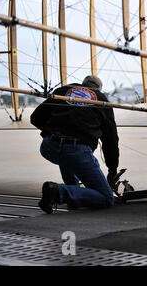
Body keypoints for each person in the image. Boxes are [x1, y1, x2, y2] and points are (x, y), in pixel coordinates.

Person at [31, 75, 119, 213]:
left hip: (49, 147)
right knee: (106, 198)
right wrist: (112, 167)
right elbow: (110, 139)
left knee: (67, 157)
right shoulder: (101, 99)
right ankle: (58, 192)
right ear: (98, 89)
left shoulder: (64, 91)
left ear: (82, 84)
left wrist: (51, 132)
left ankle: (74, 197)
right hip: (76, 149)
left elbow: (35, 118)